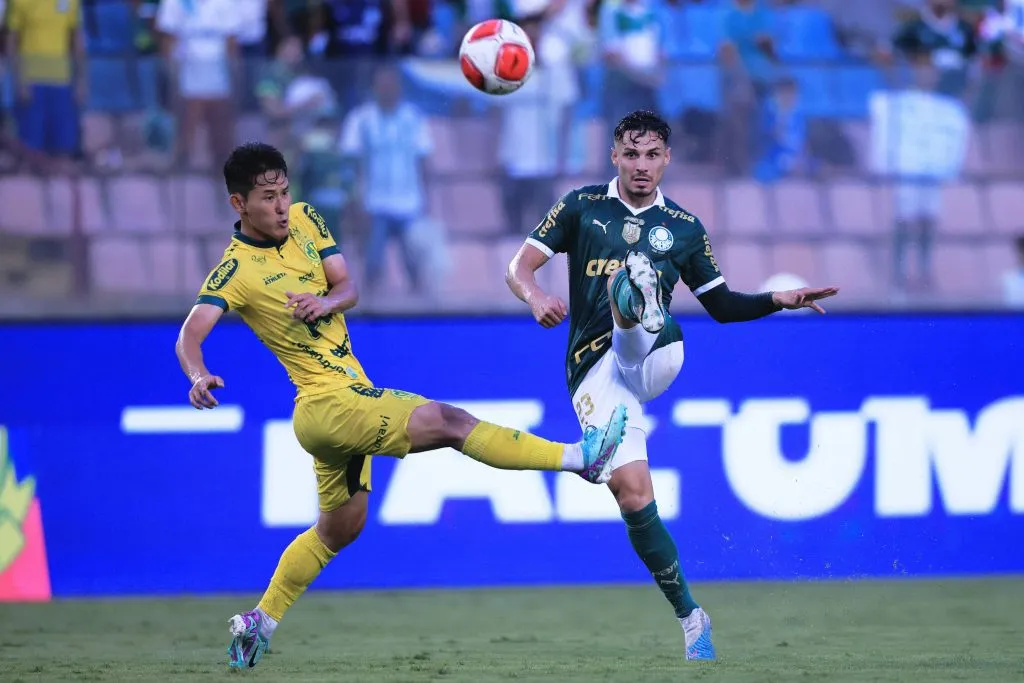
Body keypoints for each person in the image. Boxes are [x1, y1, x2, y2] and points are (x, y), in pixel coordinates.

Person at [174, 142, 629, 670]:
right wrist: (198, 373)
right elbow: (191, 333)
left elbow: (348, 286)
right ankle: (581, 459)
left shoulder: (306, 220)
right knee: (450, 421)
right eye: (267, 197)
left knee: (339, 529)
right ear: (238, 204)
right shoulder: (235, 270)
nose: (280, 206)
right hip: (327, 404)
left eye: (283, 192)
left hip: (341, 403)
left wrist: (324, 302)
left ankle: (261, 620)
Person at [505, 110, 839, 661]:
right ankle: (692, 617)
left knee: (634, 298)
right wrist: (536, 297)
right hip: (593, 369)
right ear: (614, 155)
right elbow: (519, 267)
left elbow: (723, 306)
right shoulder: (580, 207)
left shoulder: (683, 228)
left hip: (659, 353)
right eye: (630, 154)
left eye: (651, 154)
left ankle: (634, 305)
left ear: (667, 159)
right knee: (631, 493)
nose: (641, 165)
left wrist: (777, 301)